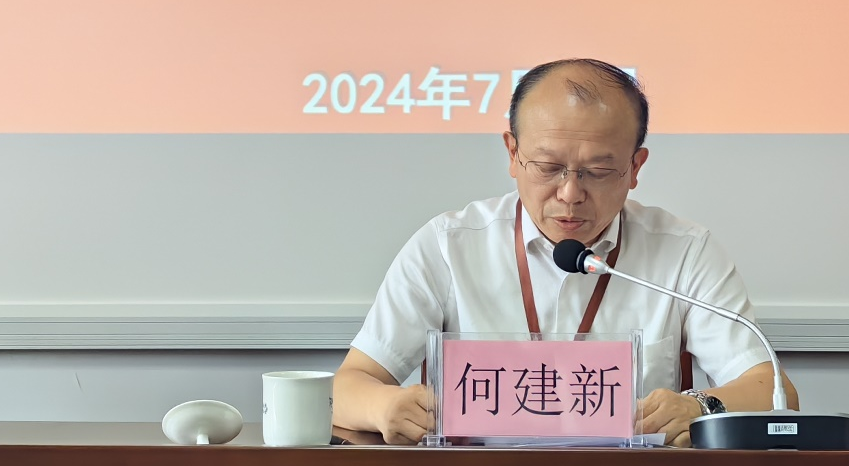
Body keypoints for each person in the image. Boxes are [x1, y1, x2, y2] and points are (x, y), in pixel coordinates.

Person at [333, 58, 798, 445]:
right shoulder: (448, 245)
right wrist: (384, 406)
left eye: (598, 171)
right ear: (512, 154)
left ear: (636, 166)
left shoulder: (684, 251)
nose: (570, 194)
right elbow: (348, 386)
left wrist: (700, 406)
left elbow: (773, 392)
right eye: (548, 166)